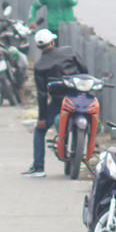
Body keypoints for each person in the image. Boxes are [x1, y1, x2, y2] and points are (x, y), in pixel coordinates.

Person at [22, 28, 89, 177]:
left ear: (39, 47)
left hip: (59, 103)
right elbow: (84, 70)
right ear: (53, 42)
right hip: (79, 98)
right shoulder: (69, 51)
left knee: (39, 131)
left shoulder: (39, 65)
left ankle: (38, 167)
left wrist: (42, 118)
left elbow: (42, 94)